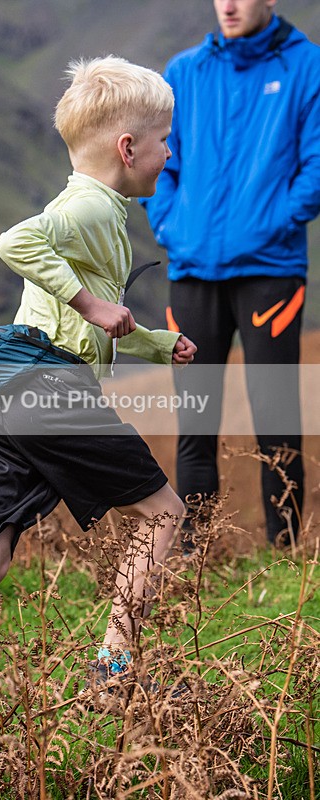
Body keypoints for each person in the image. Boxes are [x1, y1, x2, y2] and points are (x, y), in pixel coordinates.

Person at [0, 56, 196, 687]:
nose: (171, 151)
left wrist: (159, 345)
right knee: (164, 513)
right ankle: (113, 675)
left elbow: (95, 328)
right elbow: (15, 243)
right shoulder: (87, 208)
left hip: (15, 382)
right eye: (165, 139)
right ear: (128, 146)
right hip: (45, 382)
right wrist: (92, 303)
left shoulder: (103, 211)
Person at [141, 0, 320, 547]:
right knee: (195, 421)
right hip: (193, 269)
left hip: (270, 269)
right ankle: (195, 561)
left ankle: (286, 556)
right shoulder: (185, 71)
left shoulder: (307, 66)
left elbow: (316, 163)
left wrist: (276, 221)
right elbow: (160, 157)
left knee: (276, 415)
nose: (230, 5)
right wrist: (169, 223)